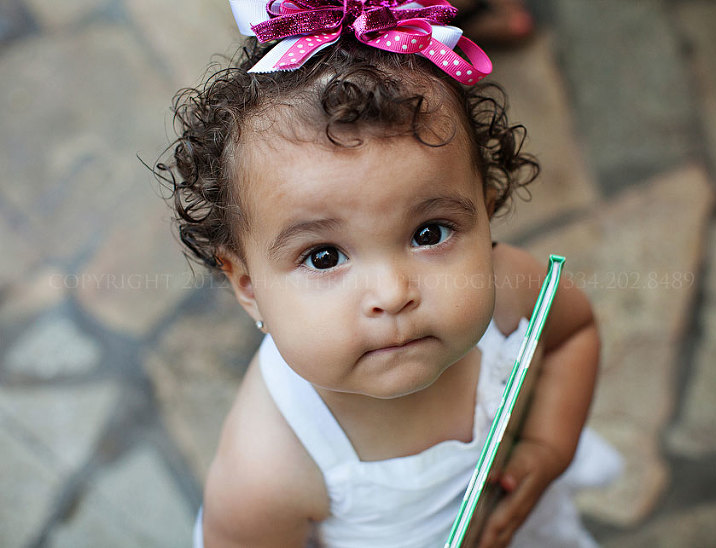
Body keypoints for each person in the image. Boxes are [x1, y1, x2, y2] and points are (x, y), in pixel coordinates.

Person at [157, 1, 621, 546]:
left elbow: (573, 335)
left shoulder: (511, 288)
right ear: (248, 286)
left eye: (430, 233)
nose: (392, 293)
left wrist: (547, 445)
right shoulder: (270, 463)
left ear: (487, 211)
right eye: (324, 256)